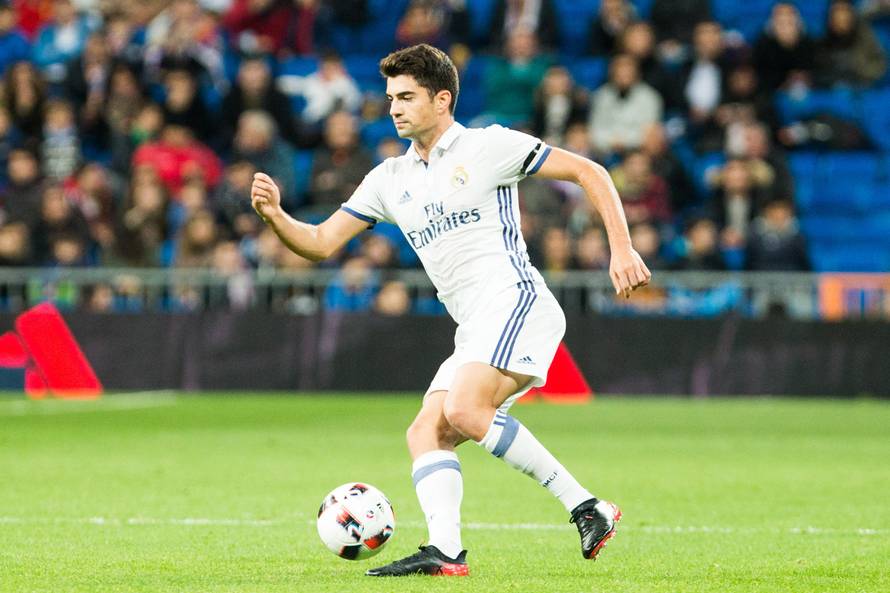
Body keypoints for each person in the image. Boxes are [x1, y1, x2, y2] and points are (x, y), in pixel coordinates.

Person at [249, 43, 650, 576]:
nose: (394, 107)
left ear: (442, 100)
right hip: (475, 324)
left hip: (516, 301)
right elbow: (321, 242)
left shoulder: (489, 146)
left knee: (464, 410)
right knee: (426, 432)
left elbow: (592, 172)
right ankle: (446, 552)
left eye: (407, 97)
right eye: (391, 97)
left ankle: (586, 505)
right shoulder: (389, 179)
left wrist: (621, 248)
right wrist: (277, 216)